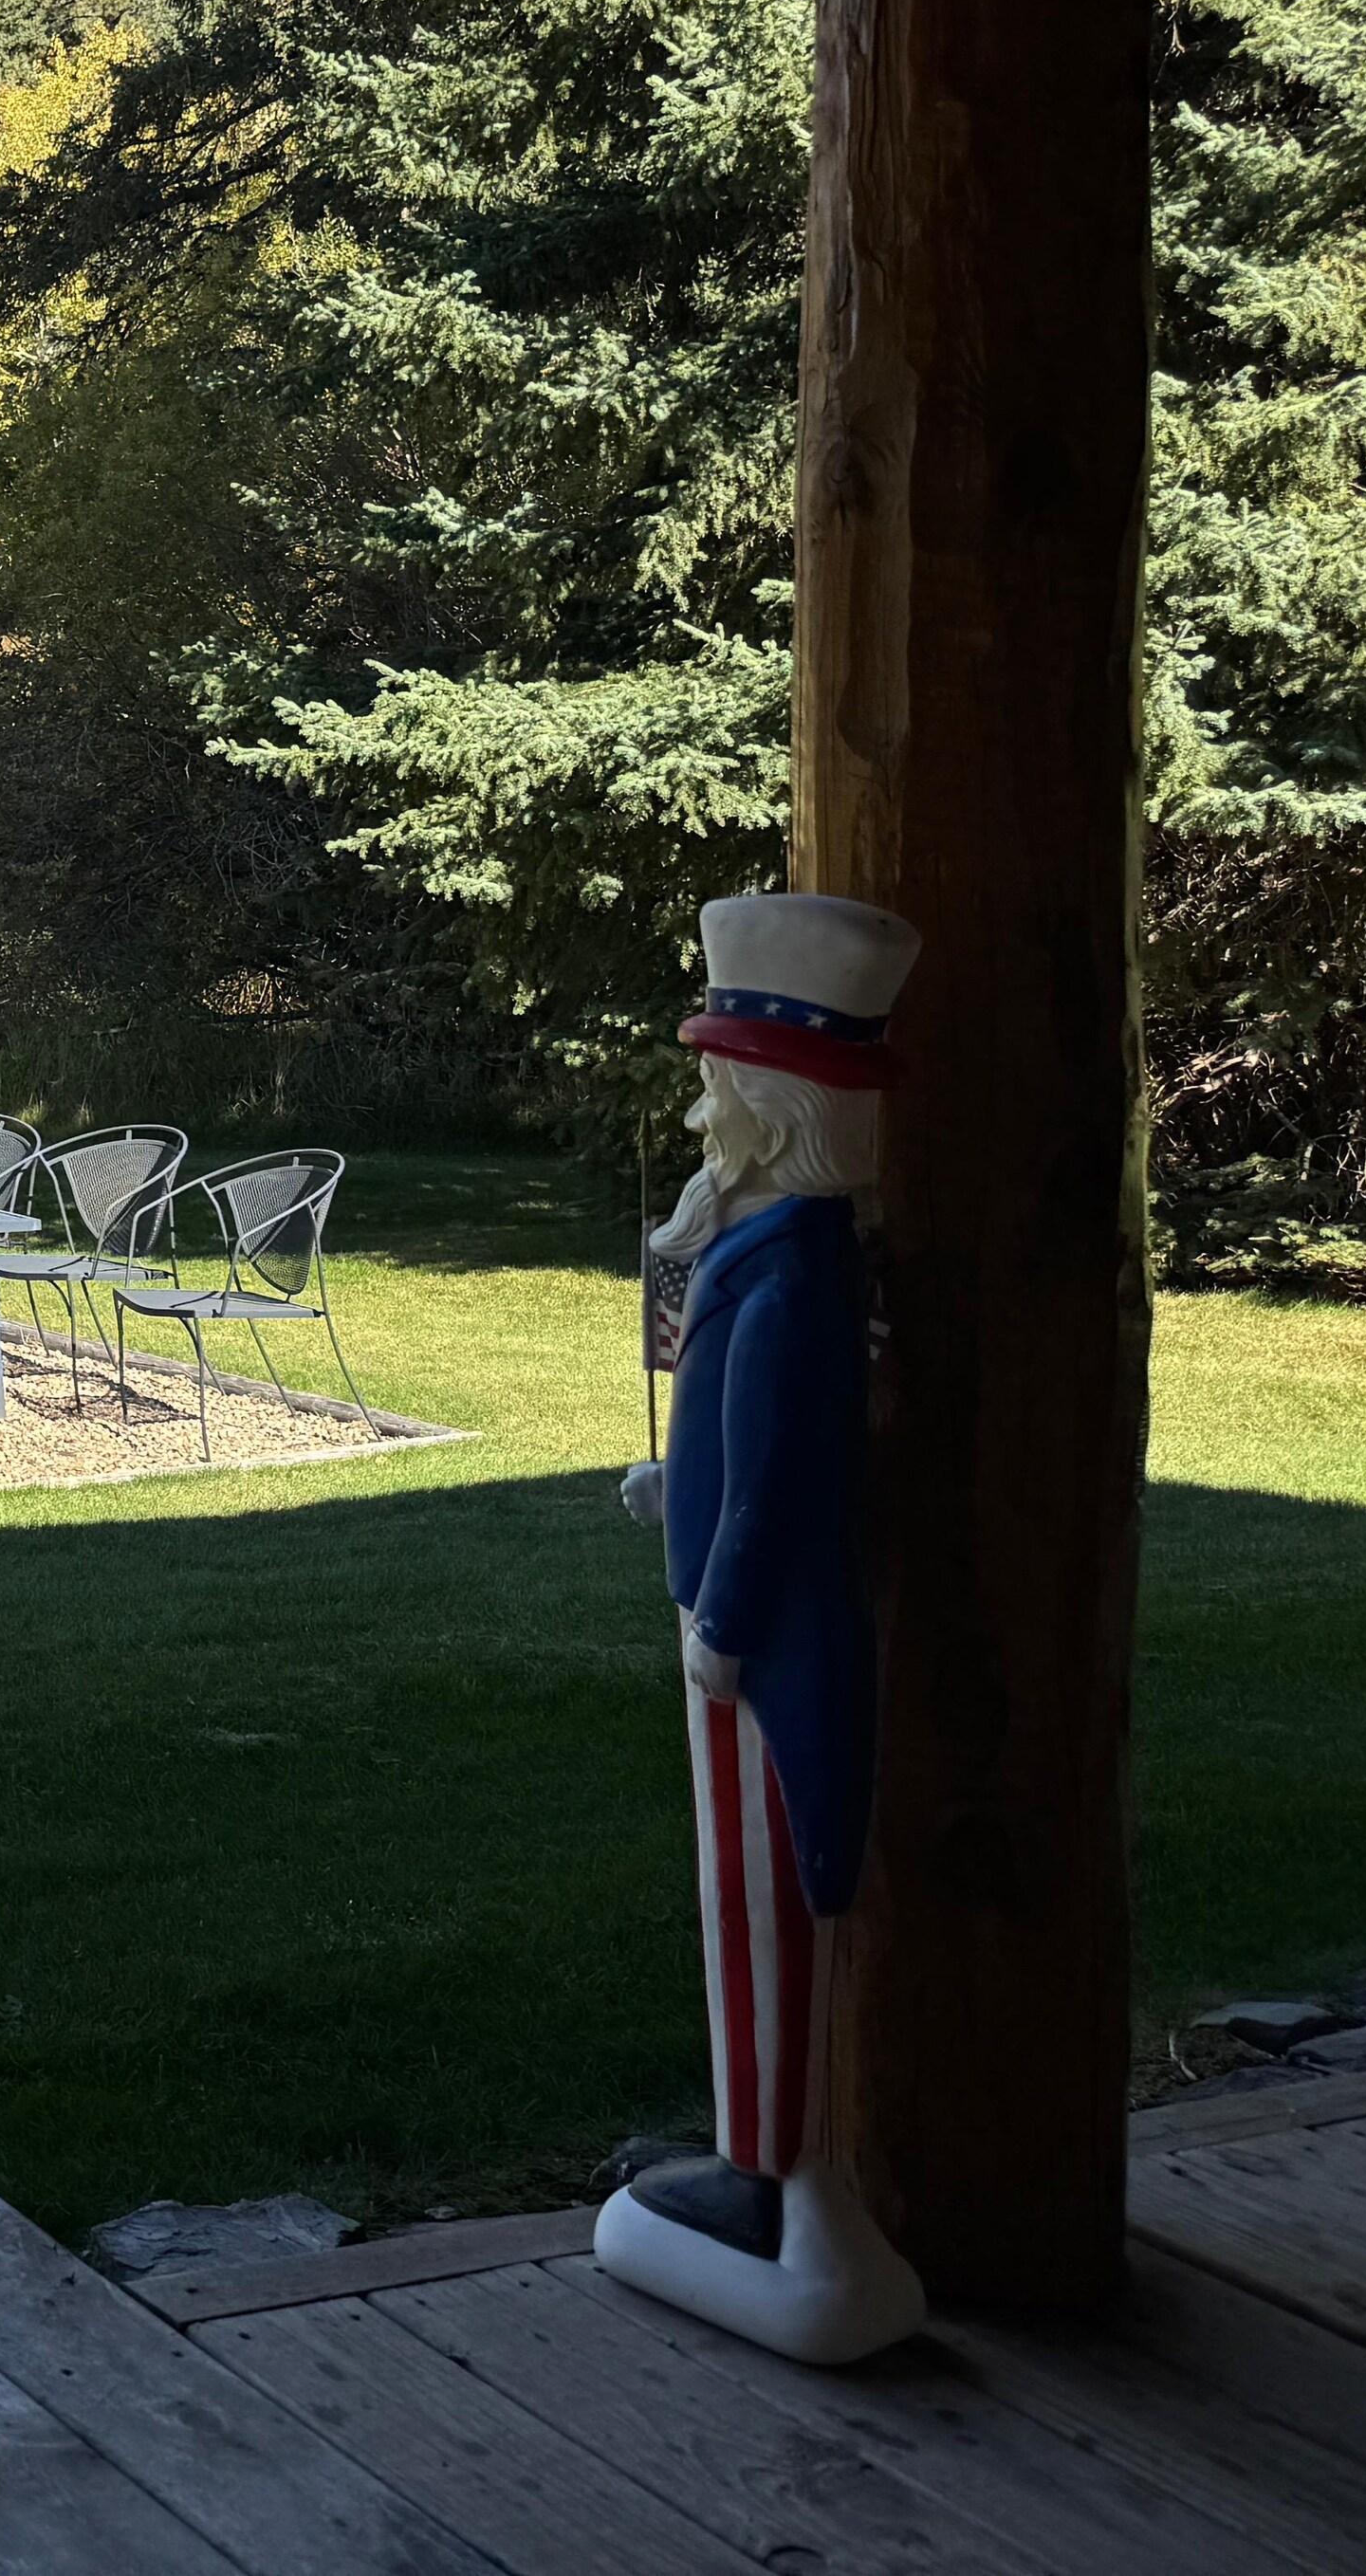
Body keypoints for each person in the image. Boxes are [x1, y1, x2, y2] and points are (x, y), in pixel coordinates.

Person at [592, 888, 930, 2364]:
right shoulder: (781, 1247)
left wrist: (719, 1617)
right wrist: (673, 1477)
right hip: (742, 1623)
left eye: (725, 1080)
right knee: (749, 1909)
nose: (709, 1102)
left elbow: (784, 1483)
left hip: (756, 1653)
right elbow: (743, 1442)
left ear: (774, 1103)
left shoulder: (789, 1269)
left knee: (756, 1904)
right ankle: (767, 2166)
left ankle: (768, 2165)